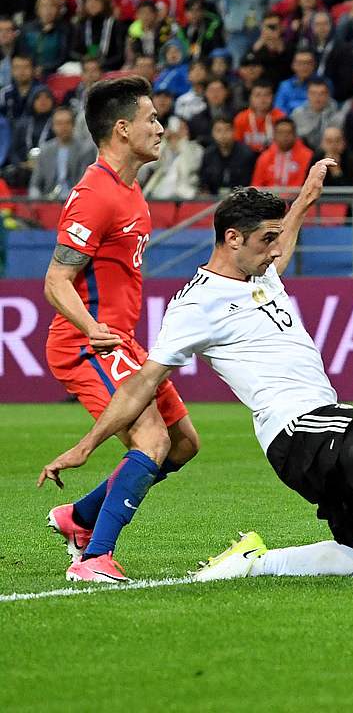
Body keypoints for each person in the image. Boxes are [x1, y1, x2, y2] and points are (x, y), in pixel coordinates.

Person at [42, 171, 353, 586]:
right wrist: (86, 445)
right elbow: (141, 383)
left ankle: (254, 565)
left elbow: (287, 237)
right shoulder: (196, 305)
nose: (277, 250)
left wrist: (306, 198)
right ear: (232, 239)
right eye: (266, 240)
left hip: (319, 420)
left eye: (277, 238)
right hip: (295, 427)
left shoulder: (260, 270)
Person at [40, 76, 201, 582]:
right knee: (150, 439)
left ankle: (79, 516)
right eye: (151, 119)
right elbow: (55, 280)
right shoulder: (95, 195)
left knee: (182, 444)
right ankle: (93, 559)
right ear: (122, 128)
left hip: (119, 340)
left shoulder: (130, 191)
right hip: (85, 343)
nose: (160, 127)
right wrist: (90, 327)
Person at [27, 107, 96, 200]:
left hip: (75, 200)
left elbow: (84, 184)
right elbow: (34, 184)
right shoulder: (45, 150)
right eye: (59, 123)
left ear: (73, 125)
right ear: (53, 126)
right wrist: (36, 200)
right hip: (49, 201)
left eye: (67, 123)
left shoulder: (86, 149)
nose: (63, 127)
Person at [142, 115, 203, 199]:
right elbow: (150, 164)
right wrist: (162, 141)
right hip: (159, 192)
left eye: (183, 128)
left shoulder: (195, 148)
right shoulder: (163, 147)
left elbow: (189, 167)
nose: (178, 131)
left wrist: (183, 142)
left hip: (184, 192)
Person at [250, 117, 312, 189]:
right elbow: (257, 184)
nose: (284, 136)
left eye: (288, 133)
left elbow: (304, 184)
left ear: (295, 135)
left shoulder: (307, 156)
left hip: (296, 198)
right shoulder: (264, 157)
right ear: (274, 135)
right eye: (280, 133)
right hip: (269, 198)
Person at [201, 117, 257, 194]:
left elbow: (250, 185)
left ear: (234, 131)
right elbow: (204, 184)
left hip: (241, 199)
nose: (223, 135)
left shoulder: (246, 154)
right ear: (212, 133)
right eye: (218, 131)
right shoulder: (208, 154)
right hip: (213, 199)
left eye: (227, 130)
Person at [291, 78, 342, 151]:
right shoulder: (297, 114)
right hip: (304, 154)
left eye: (322, 93)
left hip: (330, 154)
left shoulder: (337, 113)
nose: (317, 97)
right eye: (313, 93)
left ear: (328, 95)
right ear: (307, 94)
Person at [234, 83, 285, 153]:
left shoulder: (280, 118)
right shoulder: (241, 118)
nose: (262, 99)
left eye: (266, 95)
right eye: (257, 95)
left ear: (272, 97)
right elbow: (236, 146)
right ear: (250, 98)